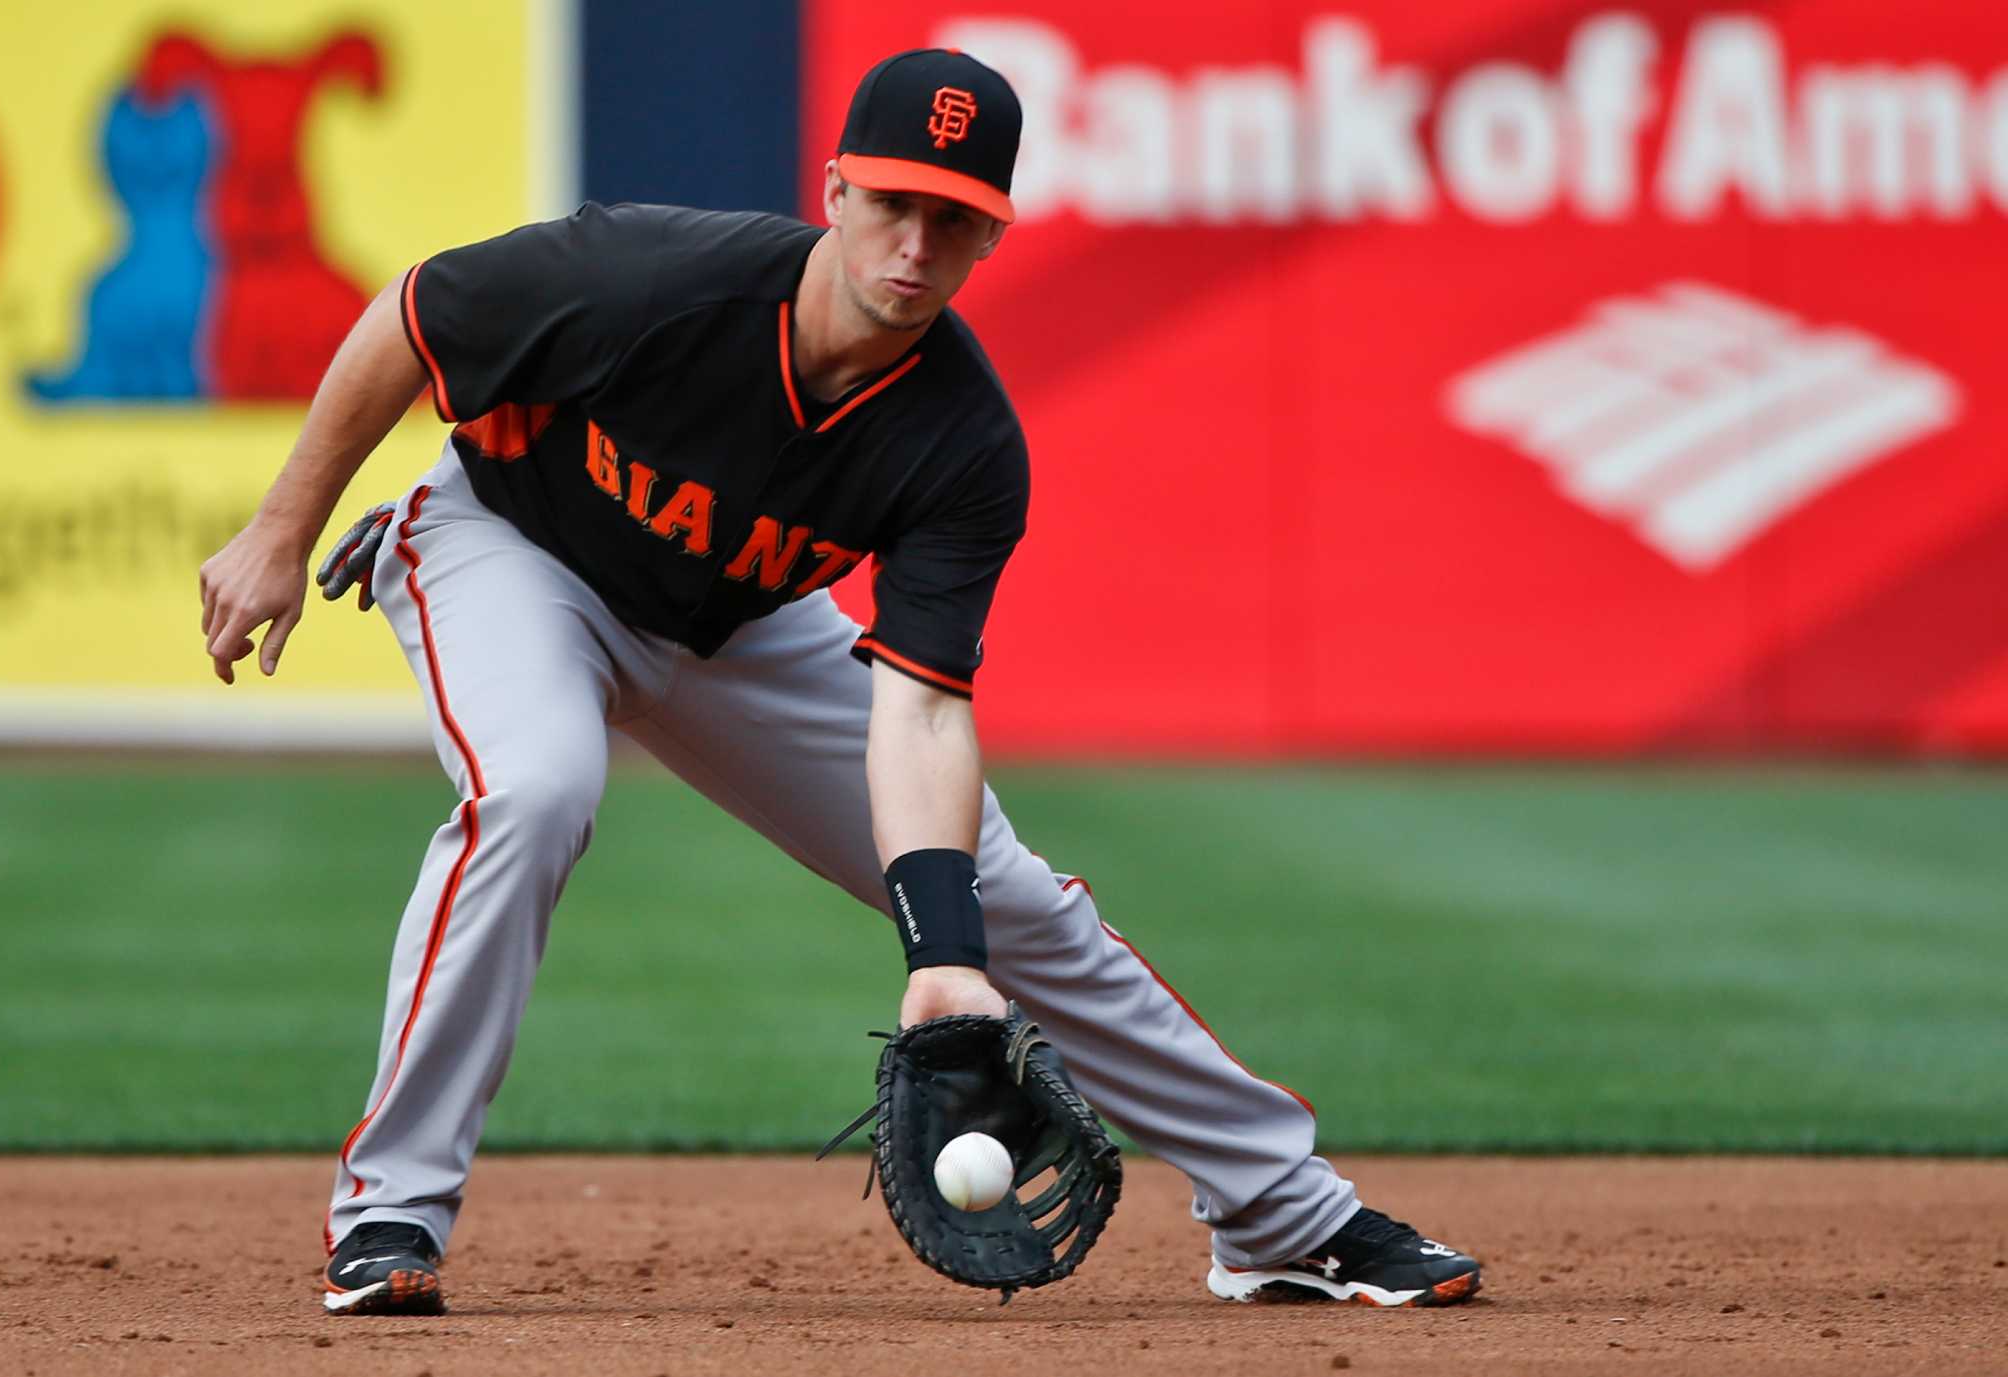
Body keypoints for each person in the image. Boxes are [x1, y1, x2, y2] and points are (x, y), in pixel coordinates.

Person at [196, 48, 1482, 1317]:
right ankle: (391, 1209)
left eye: (954, 218)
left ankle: (1283, 1216)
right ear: (833, 189)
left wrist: (941, 955)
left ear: (991, 235)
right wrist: (280, 530)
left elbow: (921, 705)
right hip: (513, 547)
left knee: (1002, 899)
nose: (915, 244)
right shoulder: (650, 279)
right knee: (534, 790)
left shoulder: (962, 441)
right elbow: (412, 318)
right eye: (893, 201)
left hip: (739, 620)